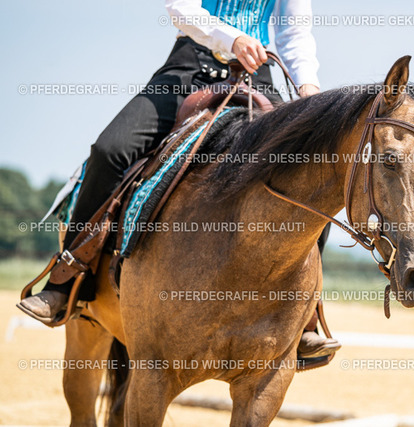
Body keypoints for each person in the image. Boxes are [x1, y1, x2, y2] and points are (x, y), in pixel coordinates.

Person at [18, 0, 340, 359]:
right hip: (188, 70)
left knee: (310, 169)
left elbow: (294, 31)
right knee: (110, 150)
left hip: (258, 76)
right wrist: (232, 39)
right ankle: (67, 279)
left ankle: (305, 313)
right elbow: (180, 8)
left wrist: (308, 86)